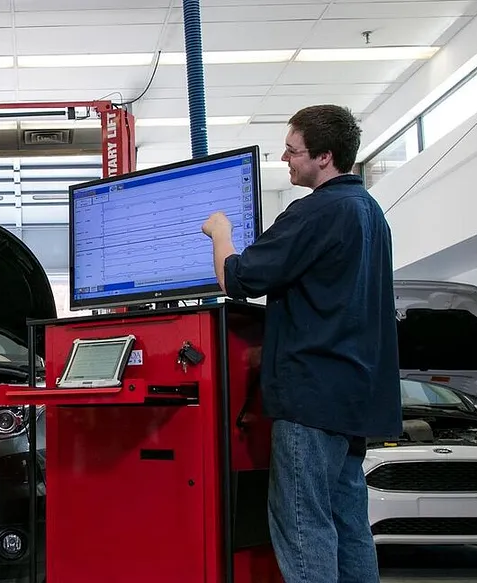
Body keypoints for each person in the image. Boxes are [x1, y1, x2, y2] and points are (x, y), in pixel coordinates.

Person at [199, 104, 401, 583]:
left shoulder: (318, 211)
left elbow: (237, 277)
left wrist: (221, 233)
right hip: (353, 401)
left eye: (293, 152)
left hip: (310, 399)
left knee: (302, 523)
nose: (286, 160)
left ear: (325, 157)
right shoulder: (370, 212)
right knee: (347, 521)